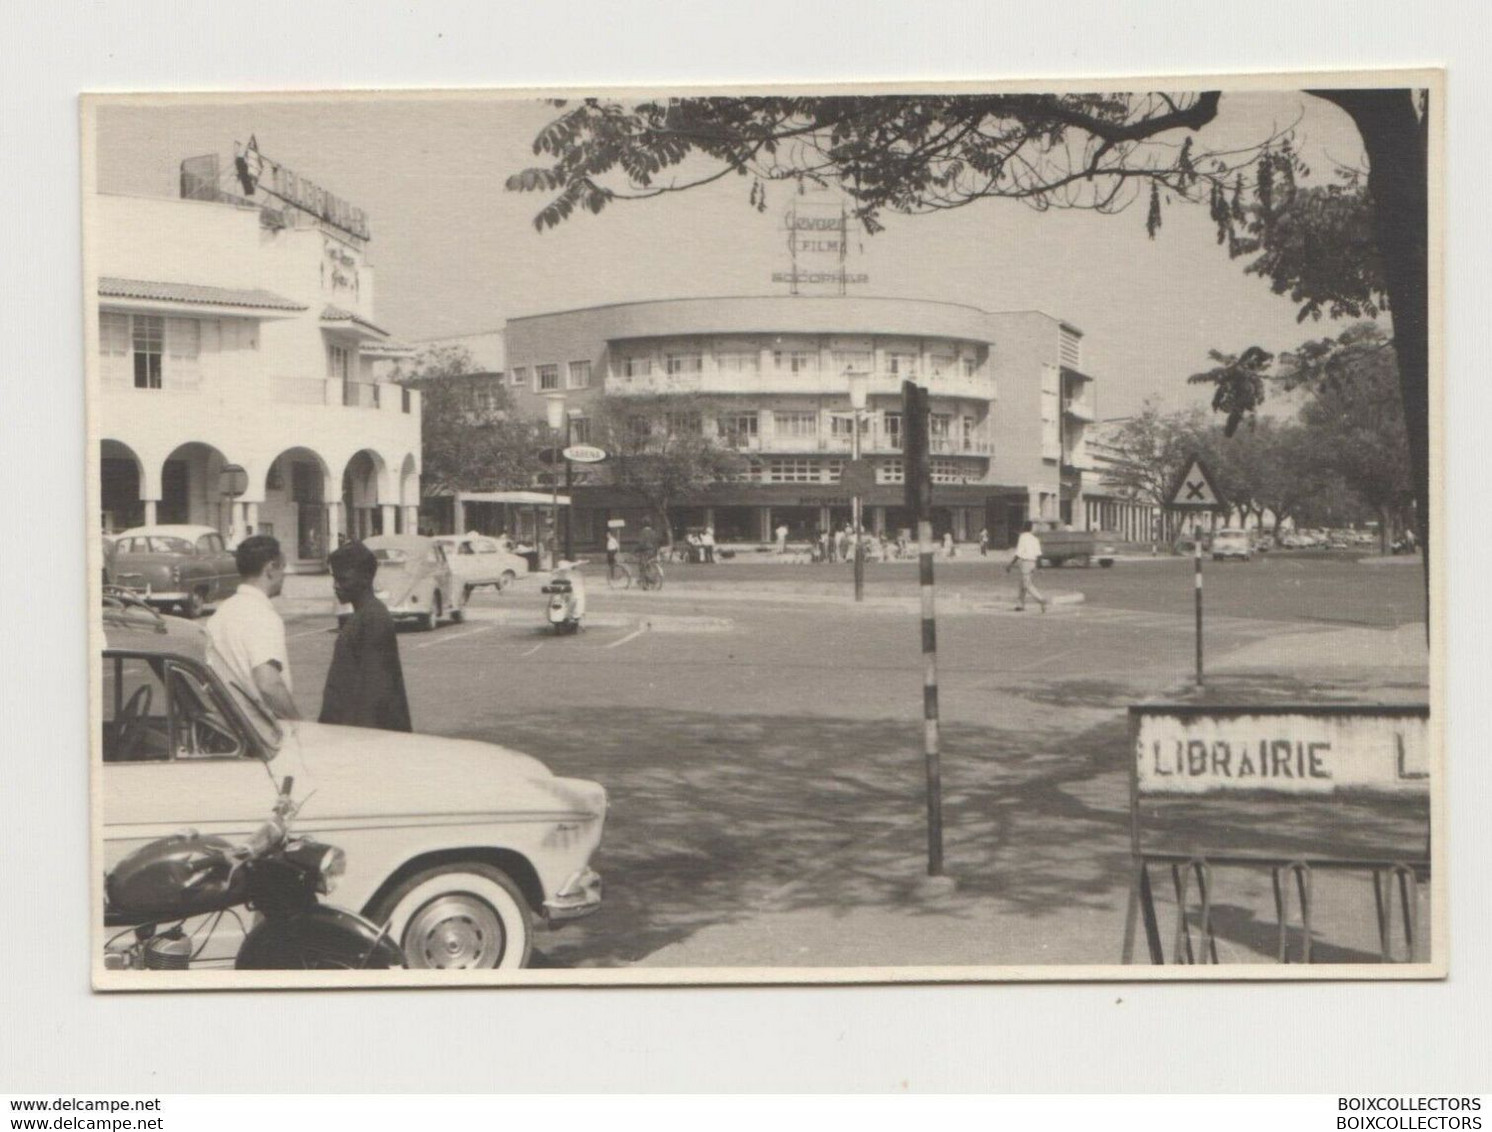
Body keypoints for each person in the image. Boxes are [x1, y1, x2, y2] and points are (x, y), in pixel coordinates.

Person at [318, 540, 412, 732]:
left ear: (365, 577)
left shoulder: (373, 618)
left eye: (343, 579)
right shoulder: (362, 616)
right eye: (334, 578)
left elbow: (375, 688)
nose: (336, 586)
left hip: (364, 735)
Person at [205, 535, 299, 723]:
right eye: (283, 567)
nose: (285, 574)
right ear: (271, 568)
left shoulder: (220, 614)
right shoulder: (261, 616)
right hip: (262, 732)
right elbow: (268, 684)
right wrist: (299, 725)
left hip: (230, 726)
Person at [1005, 521, 1050, 612]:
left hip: (1025, 562)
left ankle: (1041, 600)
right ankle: (1020, 604)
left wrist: (1011, 564)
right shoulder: (1034, 539)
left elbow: (1019, 552)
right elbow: (1038, 554)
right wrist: (1039, 567)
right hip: (1033, 562)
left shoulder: (1023, 537)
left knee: (1027, 585)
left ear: (1023, 527)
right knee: (1022, 584)